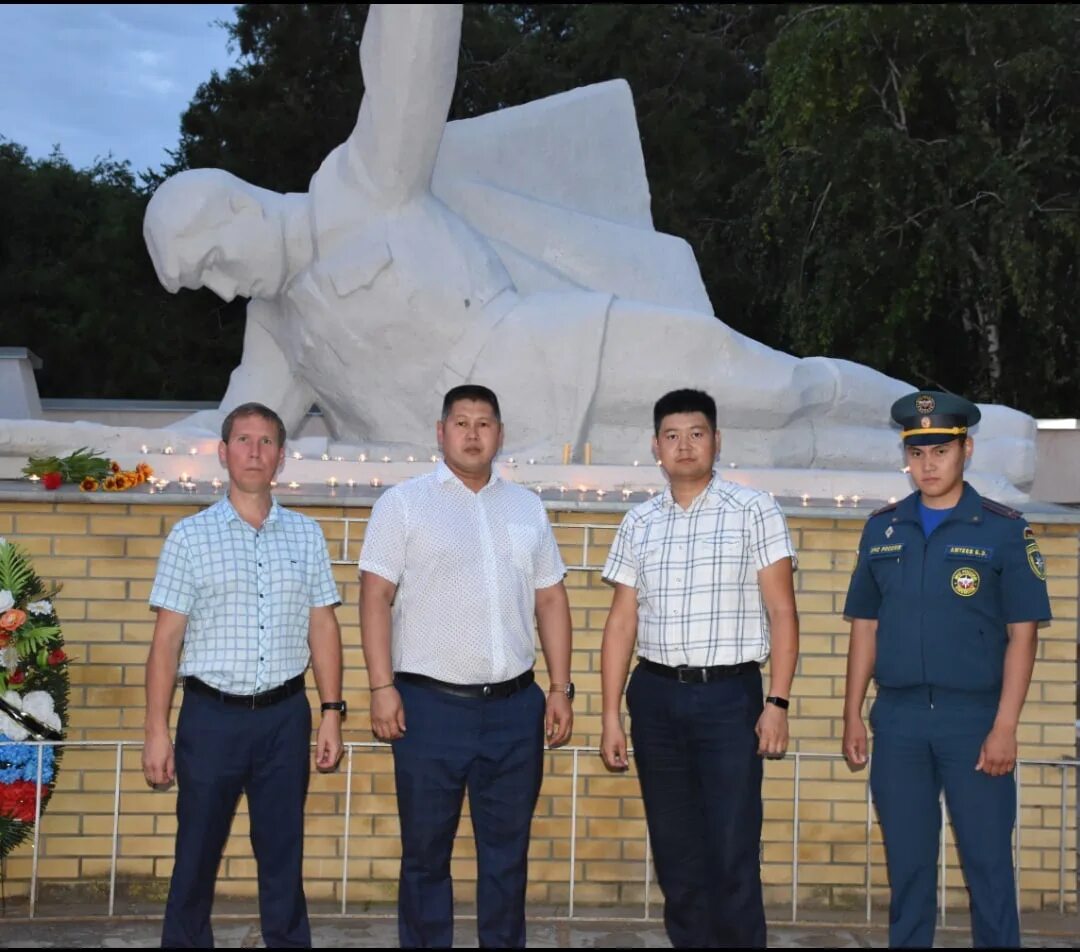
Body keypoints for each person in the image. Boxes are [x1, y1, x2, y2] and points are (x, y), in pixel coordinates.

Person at [140, 4, 1036, 493]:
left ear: (236, 207)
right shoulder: (277, 329)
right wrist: (90, 453)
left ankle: (958, 422)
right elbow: (227, 430)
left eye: (210, 263)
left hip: (562, 347)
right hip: (508, 448)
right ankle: (959, 467)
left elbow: (409, 54)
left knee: (772, 388)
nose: (218, 290)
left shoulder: (362, 183)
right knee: (761, 458)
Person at [358, 384, 573, 948]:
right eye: (461, 422)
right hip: (429, 710)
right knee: (426, 854)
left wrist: (560, 688)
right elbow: (375, 596)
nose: (473, 434)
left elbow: (550, 600)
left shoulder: (526, 507)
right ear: (441, 432)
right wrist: (381, 686)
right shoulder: (403, 504)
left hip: (514, 710)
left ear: (500, 434)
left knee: (507, 855)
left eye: (484, 423)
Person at [842, 390, 1051, 948]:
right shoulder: (882, 529)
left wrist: (1005, 725)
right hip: (899, 721)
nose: (927, 465)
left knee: (988, 866)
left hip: (974, 721)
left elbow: (1023, 634)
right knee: (908, 869)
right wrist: (852, 714)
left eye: (940, 451)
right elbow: (865, 626)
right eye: (917, 453)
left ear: (966, 450)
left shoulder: (1004, 530)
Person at [598, 388, 800, 948]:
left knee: (732, 849)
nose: (684, 445)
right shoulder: (639, 522)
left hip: (729, 700)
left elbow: (783, 612)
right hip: (656, 698)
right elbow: (621, 622)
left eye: (696, 434)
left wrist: (777, 702)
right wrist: (611, 715)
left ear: (716, 441)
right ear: (655, 447)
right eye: (672, 435)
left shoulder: (753, 510)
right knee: (676, 851)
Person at [142, 402, 345, 948]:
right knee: (195, 855)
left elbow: (323, 626)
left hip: (285, 719)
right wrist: (157, 730)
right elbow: (166, 642)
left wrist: (331, 712)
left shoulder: (306, 536)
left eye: (266, 442)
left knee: (282, 854)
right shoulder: (189, 537)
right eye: (243, 440)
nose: (255, 451)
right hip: (210, 720)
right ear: (223, 451)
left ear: (281, 456)